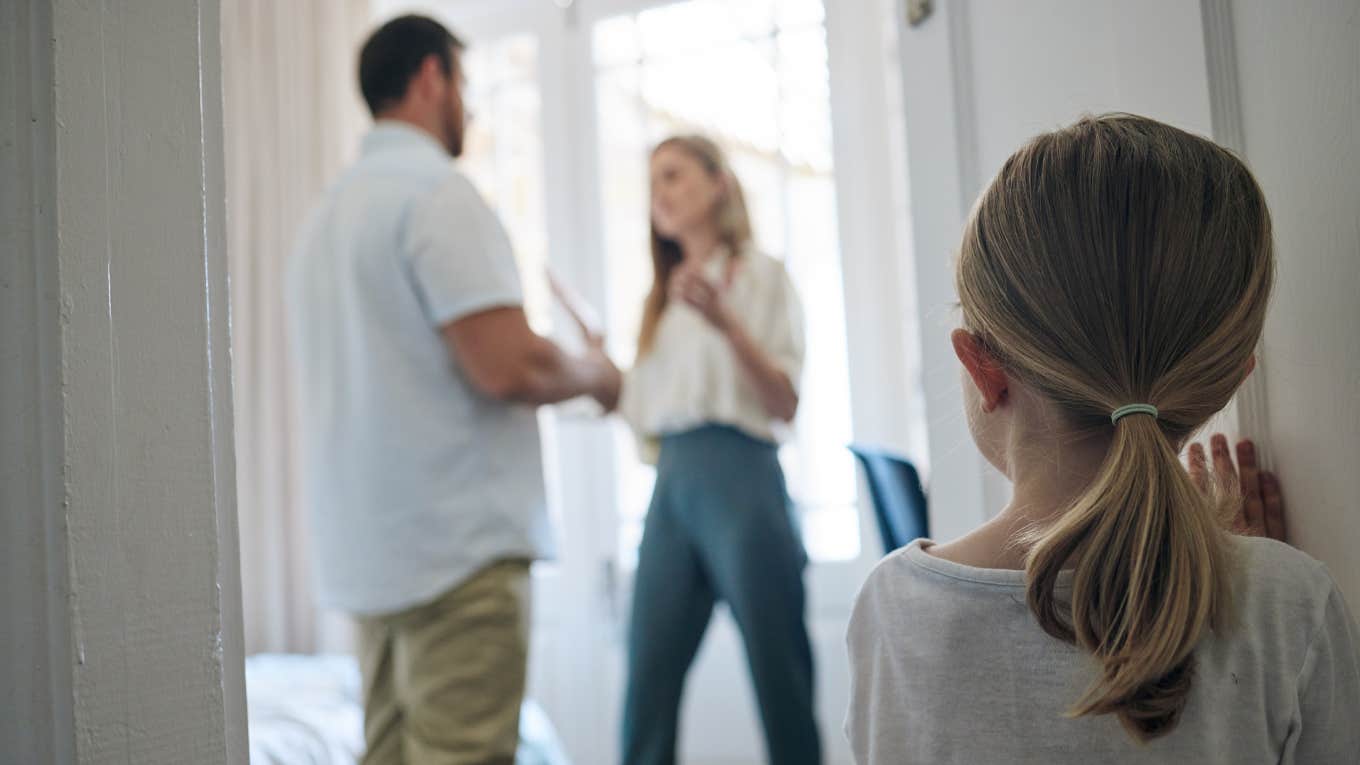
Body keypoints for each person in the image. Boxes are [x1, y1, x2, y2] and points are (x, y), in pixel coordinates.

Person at [844, 114, 1360, 763]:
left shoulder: (894, 610)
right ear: (1226, 382)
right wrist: (1252, 597)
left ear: (981, 367)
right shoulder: (1290, 607)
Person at [285, 15, 620, 765]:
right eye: (464, 83)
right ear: (432, 77)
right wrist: (598, 373)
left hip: (370, 563)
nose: (468, 104)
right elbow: (509, 365)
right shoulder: (435, 194)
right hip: (455, 564)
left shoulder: (321, 222)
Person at [555, 134, 820, 764]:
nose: (660, 195)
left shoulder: (762, 276)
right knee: (647, 681)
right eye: (652, 184)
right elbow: (642, 407)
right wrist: (597, 368)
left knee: (780, 679)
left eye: (672, 176)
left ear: (717, 183)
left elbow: (785, 402)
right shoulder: (662, 302)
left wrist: (727, 323)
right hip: (672, 487)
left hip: (744, 481)